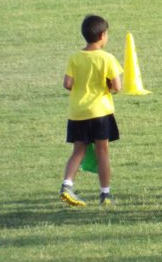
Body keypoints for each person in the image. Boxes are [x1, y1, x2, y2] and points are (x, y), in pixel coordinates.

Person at [60, 14, 123, 207]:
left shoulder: (75, 57)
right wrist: (106, 87)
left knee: (78, 150)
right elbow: (117, 86)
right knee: (102, 151)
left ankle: (67, 185)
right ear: (103, 35)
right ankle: (105, 194)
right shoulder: (107, 58)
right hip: (100, 112)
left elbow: (67, 83)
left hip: (78, 112)